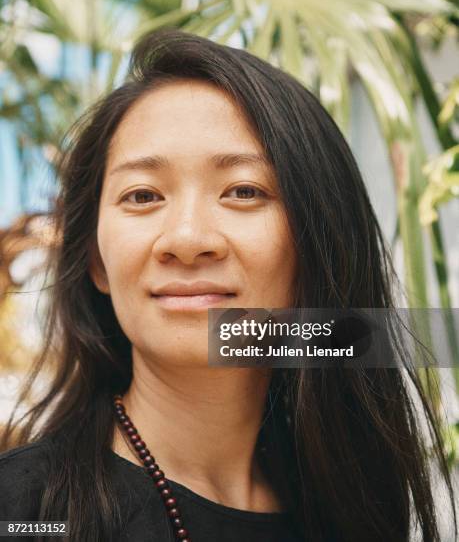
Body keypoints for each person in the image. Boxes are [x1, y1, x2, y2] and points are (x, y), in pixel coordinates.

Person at [0, 29, 456, 542]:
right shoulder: (24, 511)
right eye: (144, 195)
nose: (188, 239)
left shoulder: (356, 503)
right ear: (96, 262)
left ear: (316, 242)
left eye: (243, 190)